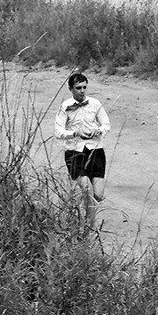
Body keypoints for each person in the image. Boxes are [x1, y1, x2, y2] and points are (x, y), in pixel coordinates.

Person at [54, 72, 111, 226]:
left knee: (98, 194)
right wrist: (74, 133)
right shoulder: (65, 107)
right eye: (78, 88)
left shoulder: (95, 104)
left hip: (95, 150)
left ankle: (80, 208)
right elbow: (58, 132)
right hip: (74, 151)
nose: (82, 91)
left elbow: (106, 124)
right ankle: (90, 227)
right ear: (71, 89)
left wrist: (99, 130)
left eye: (84, 87)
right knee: (87, 190)